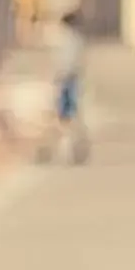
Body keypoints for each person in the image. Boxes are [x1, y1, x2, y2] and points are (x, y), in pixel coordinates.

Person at [46, 10, 89, 165]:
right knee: (70, 115)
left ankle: (70, 150)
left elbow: (66, 63)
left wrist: (59, 77)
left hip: (67, 79)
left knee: (66, 115)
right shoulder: (75, 40)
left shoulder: (67, 40)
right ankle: (72, 149)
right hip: (71, 79)